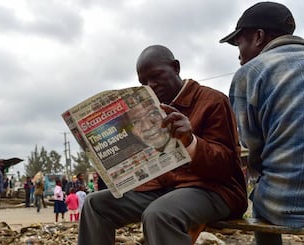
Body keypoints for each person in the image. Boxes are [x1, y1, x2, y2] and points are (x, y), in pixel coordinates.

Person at [77, 45, 248, 245]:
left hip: (213, 190)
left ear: (176, 67)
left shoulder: (211, 101)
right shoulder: (147, 109)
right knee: (95, 204)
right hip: (163, 189)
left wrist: (191, 141)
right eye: (144, 82)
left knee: (159, 213)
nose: (151, 85)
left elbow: (226, 166)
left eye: (156, 76)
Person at [220, 2, 304, 244]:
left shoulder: (250, 73)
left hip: (284, 204)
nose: (239, 55)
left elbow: (248, 145)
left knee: (260, 192)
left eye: (240, 43)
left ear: (258, 37)